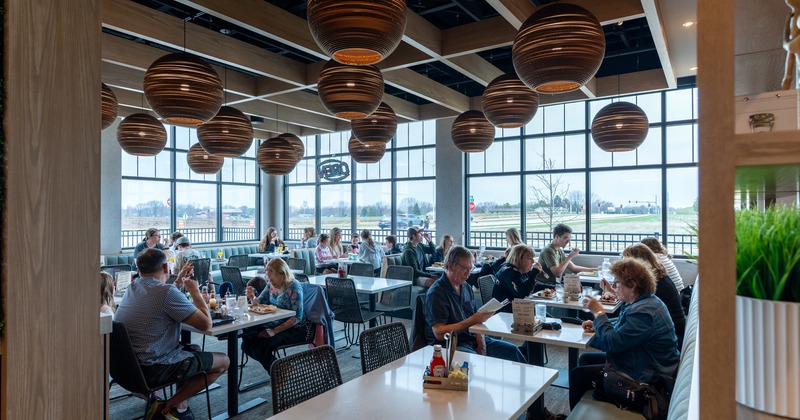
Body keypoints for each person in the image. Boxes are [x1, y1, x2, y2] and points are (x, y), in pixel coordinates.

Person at [115, 250, 229, 419]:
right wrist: (195, 290)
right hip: (153, 370)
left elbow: (162, 296)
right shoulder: (166, 293)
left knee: (194, 348)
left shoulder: (133, 287)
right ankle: (171, 405)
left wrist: (178, 281)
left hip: (126, 368)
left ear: (138, 269)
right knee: (224, 361)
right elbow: (206, 324)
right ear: (166, 266)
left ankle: (180, 405)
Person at [569, 258, 680, 410]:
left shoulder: (644, 313)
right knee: (586, 358)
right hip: (641, 360)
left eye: (616, 283)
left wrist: (599, 313)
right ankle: (591, 406)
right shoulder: (647, 302)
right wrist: (598, 327)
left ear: (632, 285)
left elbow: (612, 344)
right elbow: (622, 332)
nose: (614, 287)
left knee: (577, 375)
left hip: (649, 379)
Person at [424, 246, 526, 363]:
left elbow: (477, 322)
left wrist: (481, 344)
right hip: (451, 344)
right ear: (451, 266)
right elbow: (439, 333)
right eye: (464, 268)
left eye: (470, 268)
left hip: (471, 339)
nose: (468, 274)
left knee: (513, 351)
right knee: (475, 363)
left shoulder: (466, 287)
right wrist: (473, 320)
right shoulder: (437, 292)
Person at [242, 258, 305, 373]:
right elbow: (259, 302)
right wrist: (252, 298)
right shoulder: (271, 285)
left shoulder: (294, 287)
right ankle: (282, 368)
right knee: (246, 344)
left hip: (294, 328)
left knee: (259, 348)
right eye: (268, 278)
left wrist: (275, 331)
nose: (270, 281)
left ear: (282, 273)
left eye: (272, 278)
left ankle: (279, 372)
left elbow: (297, 317)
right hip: (275, 322)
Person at [621, 244, 686, 348]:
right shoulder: (660, 278)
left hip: (668, 341)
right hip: (670, 334)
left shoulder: (655, 286)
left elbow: (633, 310)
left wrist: (599, 315)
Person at [492, 244, 542, 313]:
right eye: (530, 258)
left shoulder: (520, 270)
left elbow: (534, 285)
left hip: (519, 307)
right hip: (506, 312)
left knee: (546, 317)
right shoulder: (508, 272)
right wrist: (533, 274)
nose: (533, 262)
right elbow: (522, 293)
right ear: (519, 259)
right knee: (545, 319)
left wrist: (554, 288)